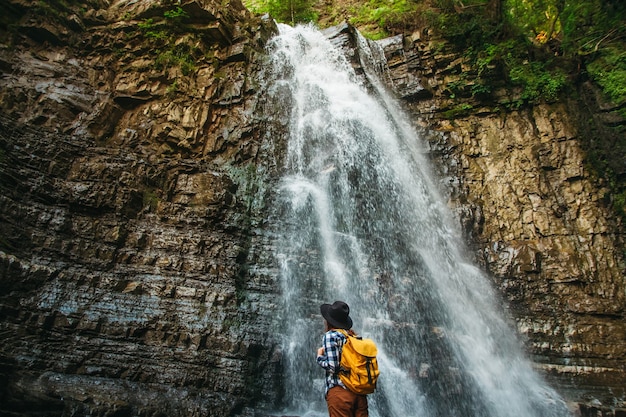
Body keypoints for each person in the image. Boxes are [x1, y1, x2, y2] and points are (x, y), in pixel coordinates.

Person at [316, 301, 368, 417]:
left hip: (340, 393)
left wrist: (319, 357)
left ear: (329, 320)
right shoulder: (352, 336)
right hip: (359, 393)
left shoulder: (331, 336)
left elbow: (333, 367)